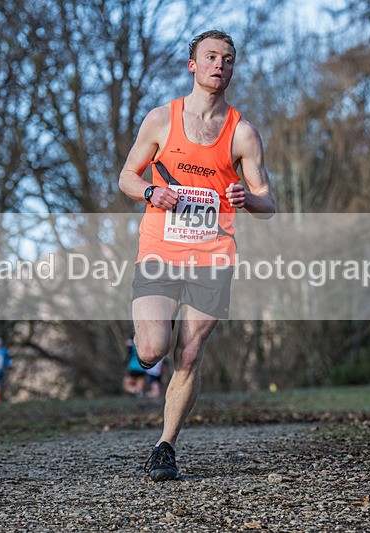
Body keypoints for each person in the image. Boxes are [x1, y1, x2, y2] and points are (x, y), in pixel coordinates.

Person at [118, 30, 275, 481]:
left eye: (227, 59)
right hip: (160, 248)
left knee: (189, 355)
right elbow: (126, 176)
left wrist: (247, 198)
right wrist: (151, 190)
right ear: (193, 65)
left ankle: (165, 446)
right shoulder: (161, 120)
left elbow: (269, 203)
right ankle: (142, 345)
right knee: (152, 350)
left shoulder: (242, 132)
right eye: (210, 57)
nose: (219, 65)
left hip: (213, 254)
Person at [123, 333, 165, 399]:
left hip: (133, 367)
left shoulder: (132, 345)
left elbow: (128, 345)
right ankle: (138, 393)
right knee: (140, 386)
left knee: (126, 385)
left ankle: (135, 390)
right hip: (142, 367)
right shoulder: (143, 346)